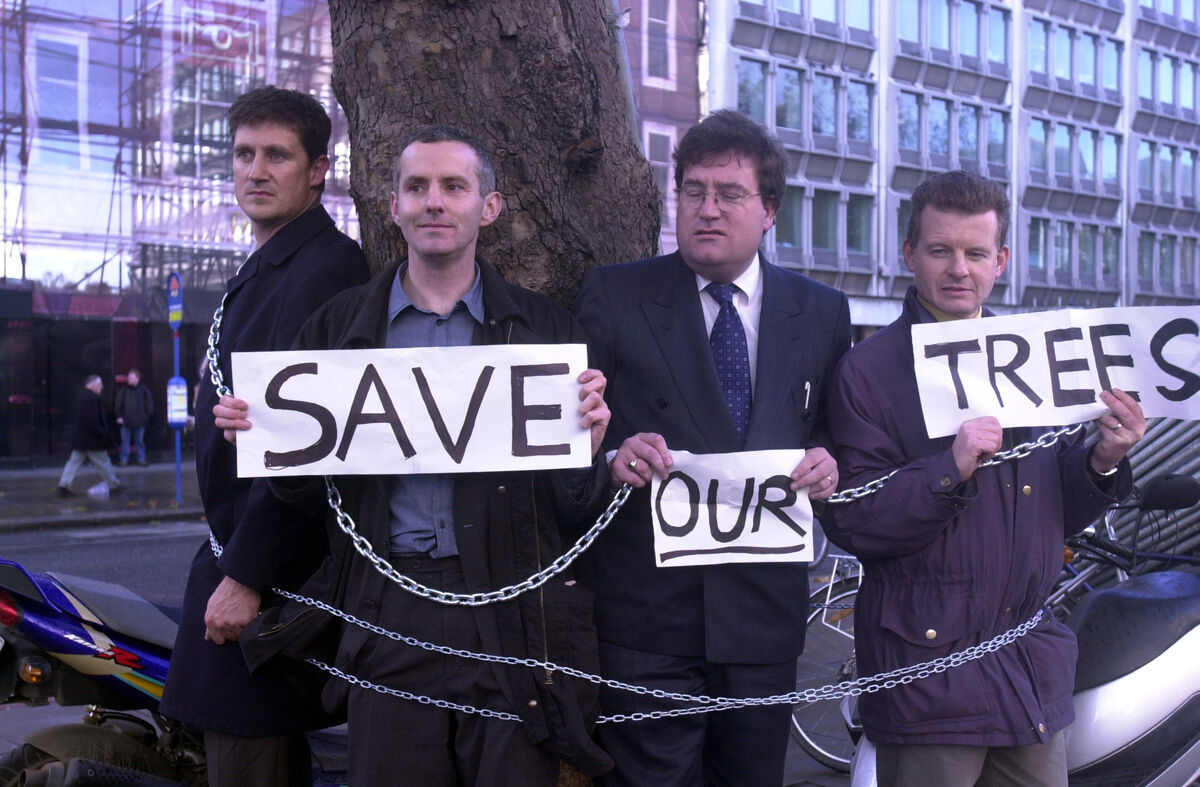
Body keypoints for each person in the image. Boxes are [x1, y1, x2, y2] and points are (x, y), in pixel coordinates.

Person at [222, 124, 615, 785]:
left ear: (486, 208)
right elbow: (304, 499)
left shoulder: (547, 332)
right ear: (393, 207)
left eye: (453, 186)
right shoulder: (338, 329)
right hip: (388, 609)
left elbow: (576, 507)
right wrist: (268, 443)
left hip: (512, 614)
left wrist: (589, 448)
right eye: (417, 187)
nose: (434, 201)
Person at [821, 170, 1145, 787]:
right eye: (940, 250)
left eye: (975, 253)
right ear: (909, 253)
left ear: (1000, 260)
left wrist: (1104, 459)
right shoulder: (866, 372)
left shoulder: (1034, 355)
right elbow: (855, 521)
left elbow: (1058, 509)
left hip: (1028, 674)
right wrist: (951, 467)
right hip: (927, 677)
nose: (958, 269)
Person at [572, 109, 852, 786]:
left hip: (764, 616)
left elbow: (834, 433)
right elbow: (566, 433)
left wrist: (827, 461)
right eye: (692, 191)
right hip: (647, 618)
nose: (706, 209)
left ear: (769, 211)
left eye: (729, 194)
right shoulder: (615, 295)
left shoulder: (821, 311)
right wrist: (611, 458)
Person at [158, 86, 369, 787]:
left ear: (318, 170)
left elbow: (308, 441)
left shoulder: (324, 268)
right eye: (244, 153)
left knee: (251, 761)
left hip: (268, 571)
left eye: (277, 155)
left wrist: (246, 576)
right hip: (239, 553)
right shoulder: (273, 261)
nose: (255, 170)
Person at [57, 374, 122, 497]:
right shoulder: (92, 398)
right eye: (100, 385)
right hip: (92, 440)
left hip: (81, 439)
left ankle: (63, 486)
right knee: (103, 462)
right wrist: (102, 433)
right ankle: (114, 485)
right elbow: (93, 420)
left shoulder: (82, 396)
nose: (102, 388)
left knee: (74, 462)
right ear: (94, 385)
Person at [115, 368, 153, 466]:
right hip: (126, 421)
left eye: (131, 378)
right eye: (129, 377)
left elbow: (149, 405)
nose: (129, 379)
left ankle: (141, 459)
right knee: (125, 442)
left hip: (140, 421)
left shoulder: (144, 390)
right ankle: (124, 460)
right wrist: (119, 416)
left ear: (137, 378)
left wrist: (145, 417)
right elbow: (118, 404)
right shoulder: (123, 390)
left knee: (139, 442)